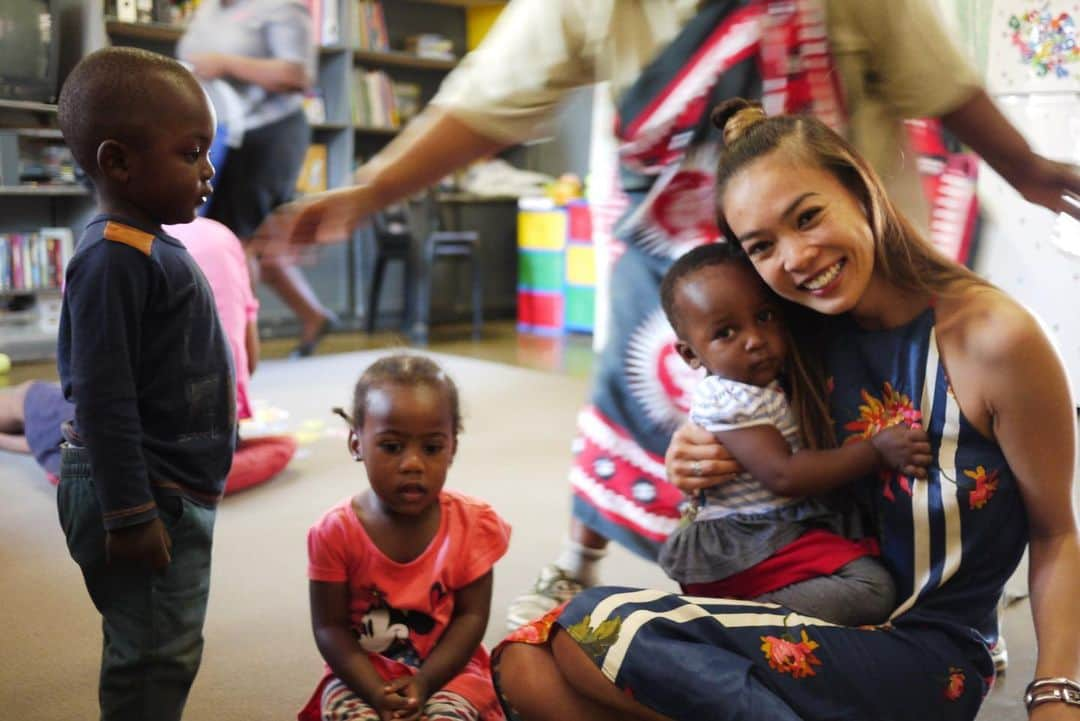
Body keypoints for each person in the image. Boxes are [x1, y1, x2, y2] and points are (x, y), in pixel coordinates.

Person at [255, 0, 1080, 630]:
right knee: (704, 451)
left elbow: (934, 72)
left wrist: (1026, 165)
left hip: (851, 273)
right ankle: (620, 567)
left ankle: (928, 603)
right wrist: (369, 191)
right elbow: (490, 97)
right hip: (686, 255)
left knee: (883, 452)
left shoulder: (983, 336)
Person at [491, 99, 1080, 721]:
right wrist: (692, 444)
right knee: (525, 662)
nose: (796, 258)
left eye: (808, 217)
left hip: (930, 653)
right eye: (763, 246)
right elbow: (732, 416)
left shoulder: (993, 338)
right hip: (809, 618)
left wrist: (1057, 694)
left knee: (594, 625)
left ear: (859, 188)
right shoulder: (796, 339)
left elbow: (1056, 533)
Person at [55, 47, 235, 721]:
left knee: (162, 638)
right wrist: (129, 514)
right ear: (118, 162)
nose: (208, 173)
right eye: (192, 153)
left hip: (167, 485)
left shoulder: (146, 242)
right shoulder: (113, 258)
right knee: (156, 652)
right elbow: (103, 397)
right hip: (141, 494)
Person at [655, 241, 930, 625]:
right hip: (747, 541)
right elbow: (784, 474)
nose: (754, 339)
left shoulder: (762, 385)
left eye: (765, 316)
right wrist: (877, 451)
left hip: (773, 528)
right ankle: (725, 624)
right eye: (726, 332)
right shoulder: (730, 397)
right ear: (690, 355)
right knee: (872, 588)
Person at [0, 217, 296, 494]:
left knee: (30, 396)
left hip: (134, 441)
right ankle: (28, 440)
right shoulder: (223, 237)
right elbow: (249, 361)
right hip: (218, 434)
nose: (208, 170)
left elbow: (83, 385)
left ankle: (31, 438)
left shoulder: (97, 250)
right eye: (194, 158)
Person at [300, 354, 512, 721]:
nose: (413, 463)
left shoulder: (474, 525)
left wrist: (426, 682)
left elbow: (471, 618)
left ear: (452, 448)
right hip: (361, 675)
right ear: (356, 444)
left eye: (431, 448)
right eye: (392, 446)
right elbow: (329, 628)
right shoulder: (334, 532)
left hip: (448, 673)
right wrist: (375, 692)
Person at [178, 0, 338, 357]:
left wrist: (226, 63)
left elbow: (298, 75)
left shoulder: (279, 6)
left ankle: (235, 352)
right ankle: (314, 315)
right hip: (226, 134)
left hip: (269, 133)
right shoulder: (209, 11)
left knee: (238, 242)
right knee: (259, 241)